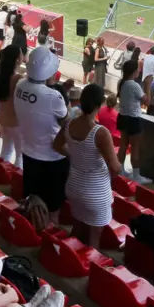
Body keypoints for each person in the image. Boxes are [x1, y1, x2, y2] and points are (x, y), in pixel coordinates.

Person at [15, 46, 70, 223]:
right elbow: (66, 122)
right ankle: (49, 238)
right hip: (52, 159)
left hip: (29, 153)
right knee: (52, 207)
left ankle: (30, 232)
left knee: (32, 201)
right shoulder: (53, 96)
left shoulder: (20, 85)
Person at [62, 84, 120, 247]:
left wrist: (76, 156)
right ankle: (88, 270)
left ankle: (68, 259)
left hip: (74, 186)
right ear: (99, 104)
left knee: (78, 227)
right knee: (94, 239)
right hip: (96, 193)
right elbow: (115, 167)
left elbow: (56, 145)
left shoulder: (69, 124)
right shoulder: (100, 132)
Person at [0, 46, 24, 168]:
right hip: (15, 122)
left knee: (6, 150)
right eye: (21, 53)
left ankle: (1, 176)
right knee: (19, 155)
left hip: (3, 119)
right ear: (17, 59)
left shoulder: (2, 77)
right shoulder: (18, 78)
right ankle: (17, 182)